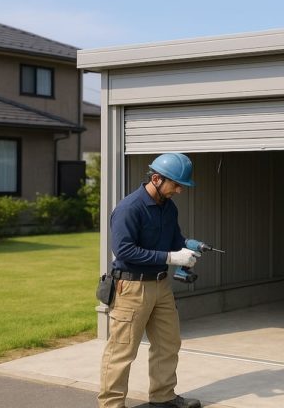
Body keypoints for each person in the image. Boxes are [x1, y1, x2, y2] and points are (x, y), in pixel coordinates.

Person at [98, 153, 202, 408]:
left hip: (160, 286)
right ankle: (111, 405)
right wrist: (170, 257)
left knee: (168, 342)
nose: (179, 190)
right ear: (156, 178)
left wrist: (186, 251)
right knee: (122, 350)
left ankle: (163, 397)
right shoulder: (129, 208)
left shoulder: (169, 207)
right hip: (131, 288)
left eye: (181, 186)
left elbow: (175, 240)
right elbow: (123, 251)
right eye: (176, 184)